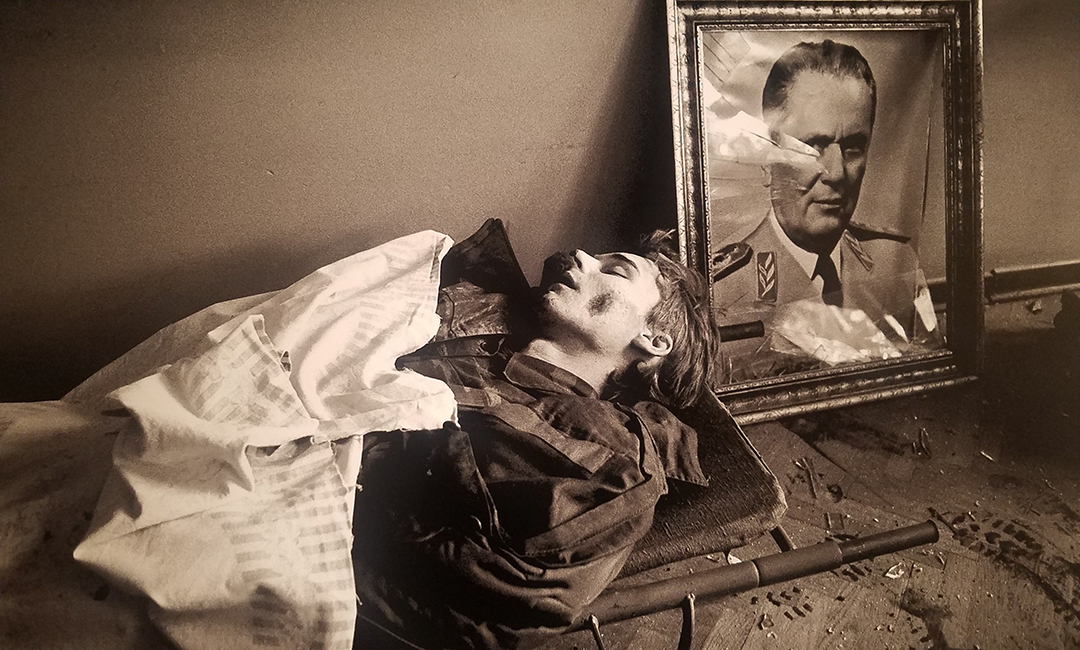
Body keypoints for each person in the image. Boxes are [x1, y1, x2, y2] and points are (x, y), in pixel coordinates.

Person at [352, 219, 718, 650]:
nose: (580, 256)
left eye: (616, 271)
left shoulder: (607, 464)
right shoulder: (474, 310)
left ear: (653, 340)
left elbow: (499, 604)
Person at [714, 40, 937, 356]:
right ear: (767, 158)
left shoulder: (894, 262)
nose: (836, 173)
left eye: (853, 148)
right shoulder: (723, 290)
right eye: (812, 147)